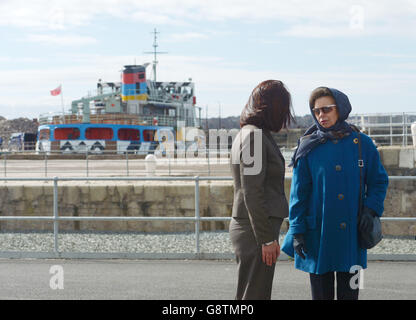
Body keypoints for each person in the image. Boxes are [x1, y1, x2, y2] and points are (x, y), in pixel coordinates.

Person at [281, 87, 389, 300]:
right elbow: (298, 195)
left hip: (352, 234)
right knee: (321, 295)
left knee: (350, 294)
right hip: (317, 235)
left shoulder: (363, 144)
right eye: (317, 111)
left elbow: (378, 181)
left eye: (327, 109)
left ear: (340, 109)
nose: (322, 115)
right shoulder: (307, 147)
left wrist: (370, 209)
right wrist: (297, 231)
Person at [229, 80, 294, 300]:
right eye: (283, 108)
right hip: (256, 231)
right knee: (255, 294)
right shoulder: (255, 137)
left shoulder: (248, 134)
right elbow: (252, 190)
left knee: (252, 292)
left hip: (252, 227)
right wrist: (266, 239)